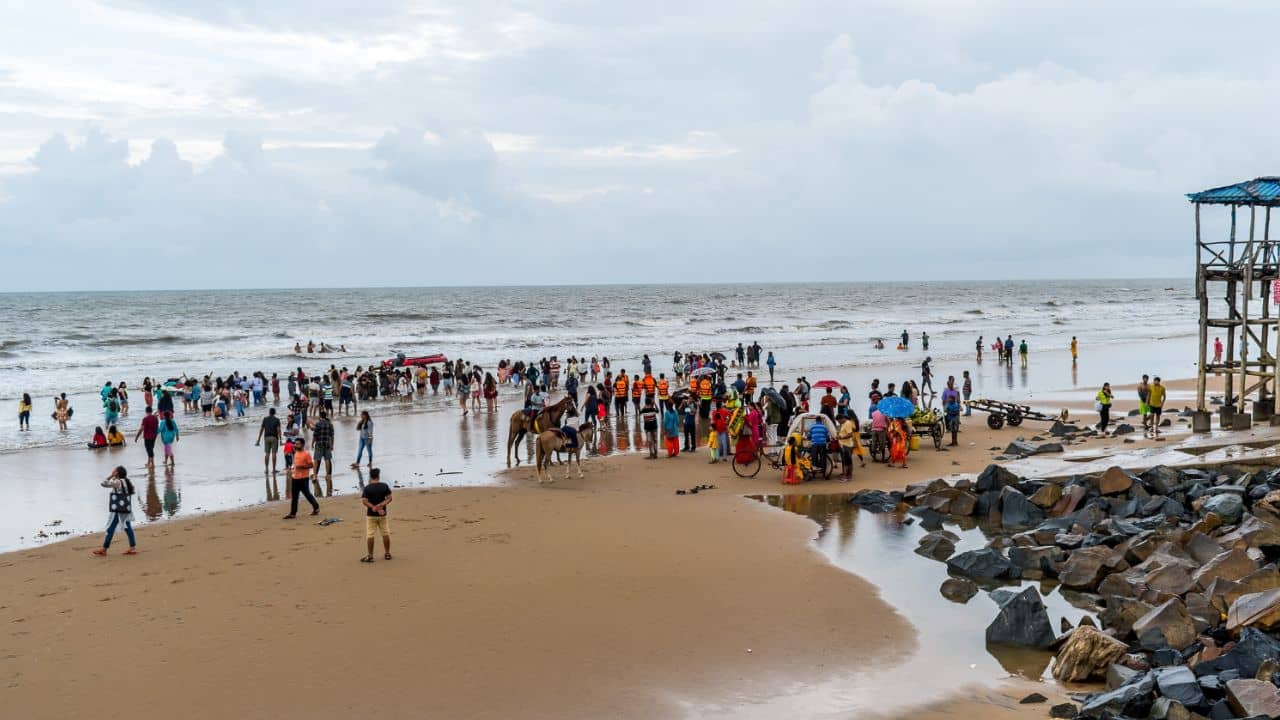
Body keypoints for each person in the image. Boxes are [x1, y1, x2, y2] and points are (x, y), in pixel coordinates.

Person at [93, 466, 137, 556]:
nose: (112, 470)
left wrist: (110, 476)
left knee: (111, 528)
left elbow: (103, 483)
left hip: (118, 510)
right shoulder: (126, 481)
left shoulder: (117, 482)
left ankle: (104, 549)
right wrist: (113, 476)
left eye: (114, 470)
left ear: (117, 473)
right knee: (127, 527)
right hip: (126, 508)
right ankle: (132, 547)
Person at [359, 468, 393, 563]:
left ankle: (370, 555)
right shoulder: (384, 486)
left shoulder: (367, 488)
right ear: (378, 476)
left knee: (370, 535)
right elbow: (389, 498)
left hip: (371, 515)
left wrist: (373, 507)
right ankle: (387, 553)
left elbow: (364, 501)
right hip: (382, 514)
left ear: (370, 476)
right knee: (385, 533)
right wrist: (381, 505)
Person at [283, 437, 320, 519]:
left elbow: (311, 465)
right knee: (294, 496)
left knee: (307, 494)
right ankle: (293, 513)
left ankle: (316, 507)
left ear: (302, 445)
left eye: (297, 444)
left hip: (303, 478)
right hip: (295, 477)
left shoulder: (306, 454)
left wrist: (302, 466)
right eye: (295, 444)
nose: (296, 445)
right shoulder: (295, 452)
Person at [310, 411, 335, 491]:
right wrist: (332, 445)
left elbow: (315, 435)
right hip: (327, 444)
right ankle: (328, 475)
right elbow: (332, 436)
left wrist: (312, 443)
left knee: (316, 460)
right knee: (327, 460)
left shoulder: (318, 424)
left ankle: (315, 476)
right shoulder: (330, 424)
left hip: (319, 444)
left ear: (320, 416)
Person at [256, 407, 282, 473]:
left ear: (269, 412)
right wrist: (281, 439)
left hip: (266, 437)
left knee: (267, 453)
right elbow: (278, 430)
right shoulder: (277, 420)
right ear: (274, 413)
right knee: (274, 453)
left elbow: (262, 429)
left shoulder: (265, 419)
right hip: (274, 437)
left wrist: (258, 439)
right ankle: (273, 469)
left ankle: (267, 469)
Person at [942, 379, 961, 446]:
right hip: (948, 410)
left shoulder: (956, 392)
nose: (951, 385)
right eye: (949, 384)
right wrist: (944, 409)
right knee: (952, 429)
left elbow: (958, 400)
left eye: (951, 384)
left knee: (954, 430)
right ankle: (954, 441)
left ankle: (954, 442)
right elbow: (943, 400)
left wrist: (959, 406)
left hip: (953, 414)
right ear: (947, 385)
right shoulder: (945, 392)